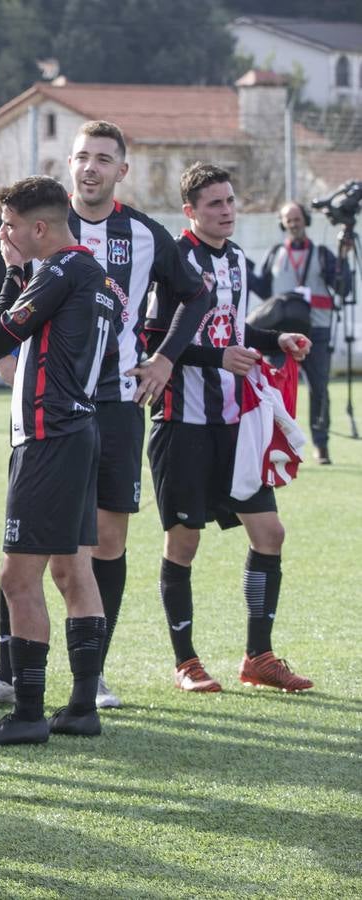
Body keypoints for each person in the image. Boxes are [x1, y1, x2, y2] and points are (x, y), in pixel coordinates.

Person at [0, 120, 209, 712]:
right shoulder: (37, 224)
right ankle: (7, 671)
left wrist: (164, 359)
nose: (90, 167)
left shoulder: (144, 233)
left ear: (122, 169)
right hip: (49, 406)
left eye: (103, 158)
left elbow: (195, 295)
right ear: (69, 165)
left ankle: (92, 676)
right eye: (82, 157)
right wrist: (2, 358)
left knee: (105, 541)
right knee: (29, 537)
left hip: (116, 403)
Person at [146, 163, 314, 694]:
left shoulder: (239, 260)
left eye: (231, 201)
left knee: (270, 533)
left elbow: (233, 328)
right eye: (215, 204)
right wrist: (219, 358)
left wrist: (274, 340)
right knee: (184, 542)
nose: (227, 211)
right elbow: (156, 340)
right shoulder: (173, 261)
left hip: (235, 425)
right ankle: (186, 661)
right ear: (190, 211)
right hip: (181, 423)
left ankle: (258, 657)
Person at [0, 175, 116, 747]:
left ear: (39, 228)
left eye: (10, 226)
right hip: (79, 431)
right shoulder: (96, 276)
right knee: (72, 569)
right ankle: (80, 707)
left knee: (16, 576)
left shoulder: (57, 270)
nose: (5, 234)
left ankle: (27, 713)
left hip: (48, 437)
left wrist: (11, 271)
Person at [250, 201, 351, 464]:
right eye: (288, 220)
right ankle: (278, 444)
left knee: (319, 388)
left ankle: (321, 445)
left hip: (316, 330)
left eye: (297, 219)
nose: (293, 224)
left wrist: (343, 260)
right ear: (283, 223)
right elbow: (263, 289)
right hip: (279, 334)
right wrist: (242, 264)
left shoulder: (321, 254)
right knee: (275, 389)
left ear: (305, 220)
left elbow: (342, 289)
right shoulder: (274, 254)